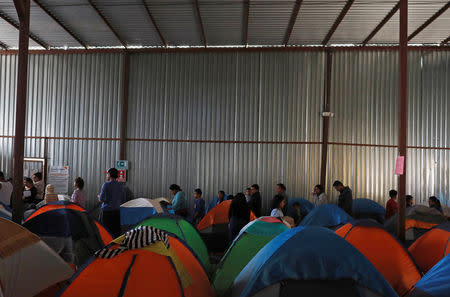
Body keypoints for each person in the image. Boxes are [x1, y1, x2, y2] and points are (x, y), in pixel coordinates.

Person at [99, 168, 126, 237]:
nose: (106, 175)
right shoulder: (121, 186)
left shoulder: (106, 185)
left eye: (107, 174)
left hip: (106, 213)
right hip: (117, 212)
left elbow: (101, 199)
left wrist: (99, 197)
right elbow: (123, 200)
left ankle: (107, 247)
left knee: (106, 233)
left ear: (110, 175)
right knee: (116, 233)